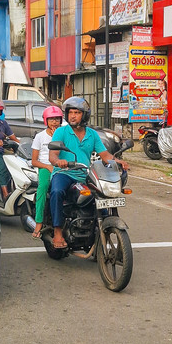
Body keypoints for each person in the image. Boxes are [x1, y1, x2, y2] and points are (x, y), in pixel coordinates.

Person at [48, 96, 128, 249]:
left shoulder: (92, 134)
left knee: (100, 198)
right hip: (64, 173)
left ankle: (102, 228)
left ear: (84, 115)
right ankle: (58, 231)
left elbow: (105, 155)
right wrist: (58, 162)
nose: (72, 115)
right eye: (70, 112)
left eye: (77, 112)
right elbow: (53, 155)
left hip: (85, 174)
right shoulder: (61, 132)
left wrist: (118, 162)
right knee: (57, 191)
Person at [30, 106, 63, 239]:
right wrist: (47, 167)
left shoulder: (64, 134)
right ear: (46, 121)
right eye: (51, 119)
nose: (54, 122)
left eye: (57, 119)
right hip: (45, 167)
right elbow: (34, 161)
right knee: (42, 188)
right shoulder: (40, 137)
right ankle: (38, 222)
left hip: (61, 167)